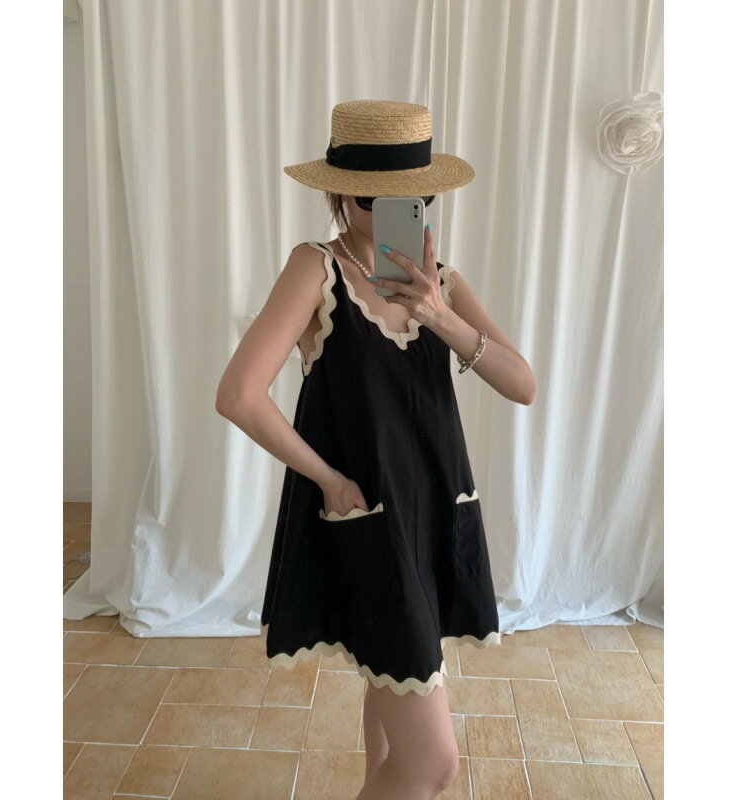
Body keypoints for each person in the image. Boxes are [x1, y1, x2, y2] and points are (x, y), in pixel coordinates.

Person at [215, 100, 536, 800]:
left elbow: (523, 385)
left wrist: (439, 315)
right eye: (373, 197)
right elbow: (239, 394)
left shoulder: (442, 283)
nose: (392, 210)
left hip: (433, 515)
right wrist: (328, 479)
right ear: (340, 194)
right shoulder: (316, 269)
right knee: (433, 763)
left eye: (410, 197)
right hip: (369, 523)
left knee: (390, 694)